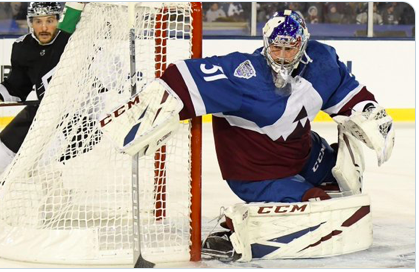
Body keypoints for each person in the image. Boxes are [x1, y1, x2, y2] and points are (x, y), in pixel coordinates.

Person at [103, 9, 394, 260]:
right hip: (258, 175)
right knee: (323, 211)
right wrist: (146, 112)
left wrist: (369, 111)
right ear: (266, 45)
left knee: (345, 179)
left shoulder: (321, 61)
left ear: (302, 44)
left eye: (289, 49)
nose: (281, 57)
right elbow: (183, 77)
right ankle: (231, 228)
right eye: (275, 48)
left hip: (303, 153)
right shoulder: (242, 75)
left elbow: (346, 91)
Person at [0, 2, 85, 210]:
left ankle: (6, 187)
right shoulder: (24, 48)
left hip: (78, 115)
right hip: (43, 110)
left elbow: (74, 10)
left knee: (41, 157)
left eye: (50, 21)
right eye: (38, 21)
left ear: (59, 21)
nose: (44, 27)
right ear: (30, 23)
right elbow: (15, 86)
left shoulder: (70, 40)